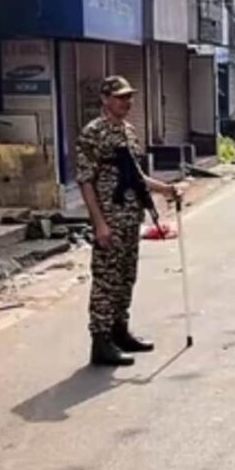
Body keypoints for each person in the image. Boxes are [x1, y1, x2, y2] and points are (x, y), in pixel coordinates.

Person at [77, 76, 181, 367]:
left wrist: (166, 189)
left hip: (130, 216)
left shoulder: (129, 132)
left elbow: (136, 176)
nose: (127, 102)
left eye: (129, 97)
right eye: (121, 97)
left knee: (126, 277)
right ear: (105, 99)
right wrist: (99, 223)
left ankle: (119, 331)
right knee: (106, 280)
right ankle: (101, 341)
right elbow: (85, 180)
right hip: (110, 218)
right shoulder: (93, 133)